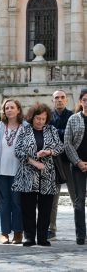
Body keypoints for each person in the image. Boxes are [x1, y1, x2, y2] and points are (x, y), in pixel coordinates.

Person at [12, 103, 63, 247]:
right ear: (32, 118)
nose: (40, 121)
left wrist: (49, 152)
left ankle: (42, 237)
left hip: (47, 174)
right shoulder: (24, 130)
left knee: (45, 208)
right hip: (28, 175)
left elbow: (60, 147)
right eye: (37, 118)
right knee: (28, 208)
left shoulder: (51, 130)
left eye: (43, 119)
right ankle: (29, 237)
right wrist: (34, 162)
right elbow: (18, 151)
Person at [0, 99, 25, 244]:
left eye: (12, 107)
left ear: (18, 110)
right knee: (4, 202)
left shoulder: (25, 127)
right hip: (1, 172)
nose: (9, 110)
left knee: (17, 202)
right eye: (6, 108)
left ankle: (18, 232)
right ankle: (4, 232)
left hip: (19, 172)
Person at [48, 90, 75, 240]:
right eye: (56, 98)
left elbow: (72, 136)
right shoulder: (48, 117)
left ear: (66, 100)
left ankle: (81, 228)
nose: (59, 100)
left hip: (70, 161)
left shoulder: (73, 116)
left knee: (76, 198)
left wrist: (57, 133)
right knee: (53, 199)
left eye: (62, 97)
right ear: (53, 101)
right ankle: (51, 229)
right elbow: (48, 135)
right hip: (53, 162)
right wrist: (63, 134)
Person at [64, 88, 87, 245]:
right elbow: (67, 143)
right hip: (78, 165)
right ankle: (81, 235)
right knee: (79, 202)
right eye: (85, 99)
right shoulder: (73, 119)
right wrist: (78, 161)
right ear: (80, 101)